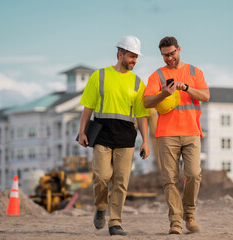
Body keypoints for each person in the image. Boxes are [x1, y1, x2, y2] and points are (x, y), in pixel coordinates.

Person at [78, 35, 150, 236]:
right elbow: (88, 108)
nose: (134, 61)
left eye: (137, 58)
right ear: (120, 54)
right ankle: (101, 207)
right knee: (101, 177)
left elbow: (142, 115)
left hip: (126, 137)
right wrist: (82, 131)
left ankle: (115, 222)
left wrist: (145, 141)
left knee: (121, 181)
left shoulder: (137, 83)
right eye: (132, 57)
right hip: (102, 134)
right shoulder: (99, 76)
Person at [143, 36, 209, 234]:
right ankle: (175, 222)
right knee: (170, 179)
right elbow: (147, 103)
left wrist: (187, 88)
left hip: (191, 133)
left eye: (172, 53)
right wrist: (164, 93)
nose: (169, 58)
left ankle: (189, 215)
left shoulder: (194, 72)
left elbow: (205, 96)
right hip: (167, 135)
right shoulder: (157, 76)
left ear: (179, 49)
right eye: (165, 55)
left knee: (194, 174)